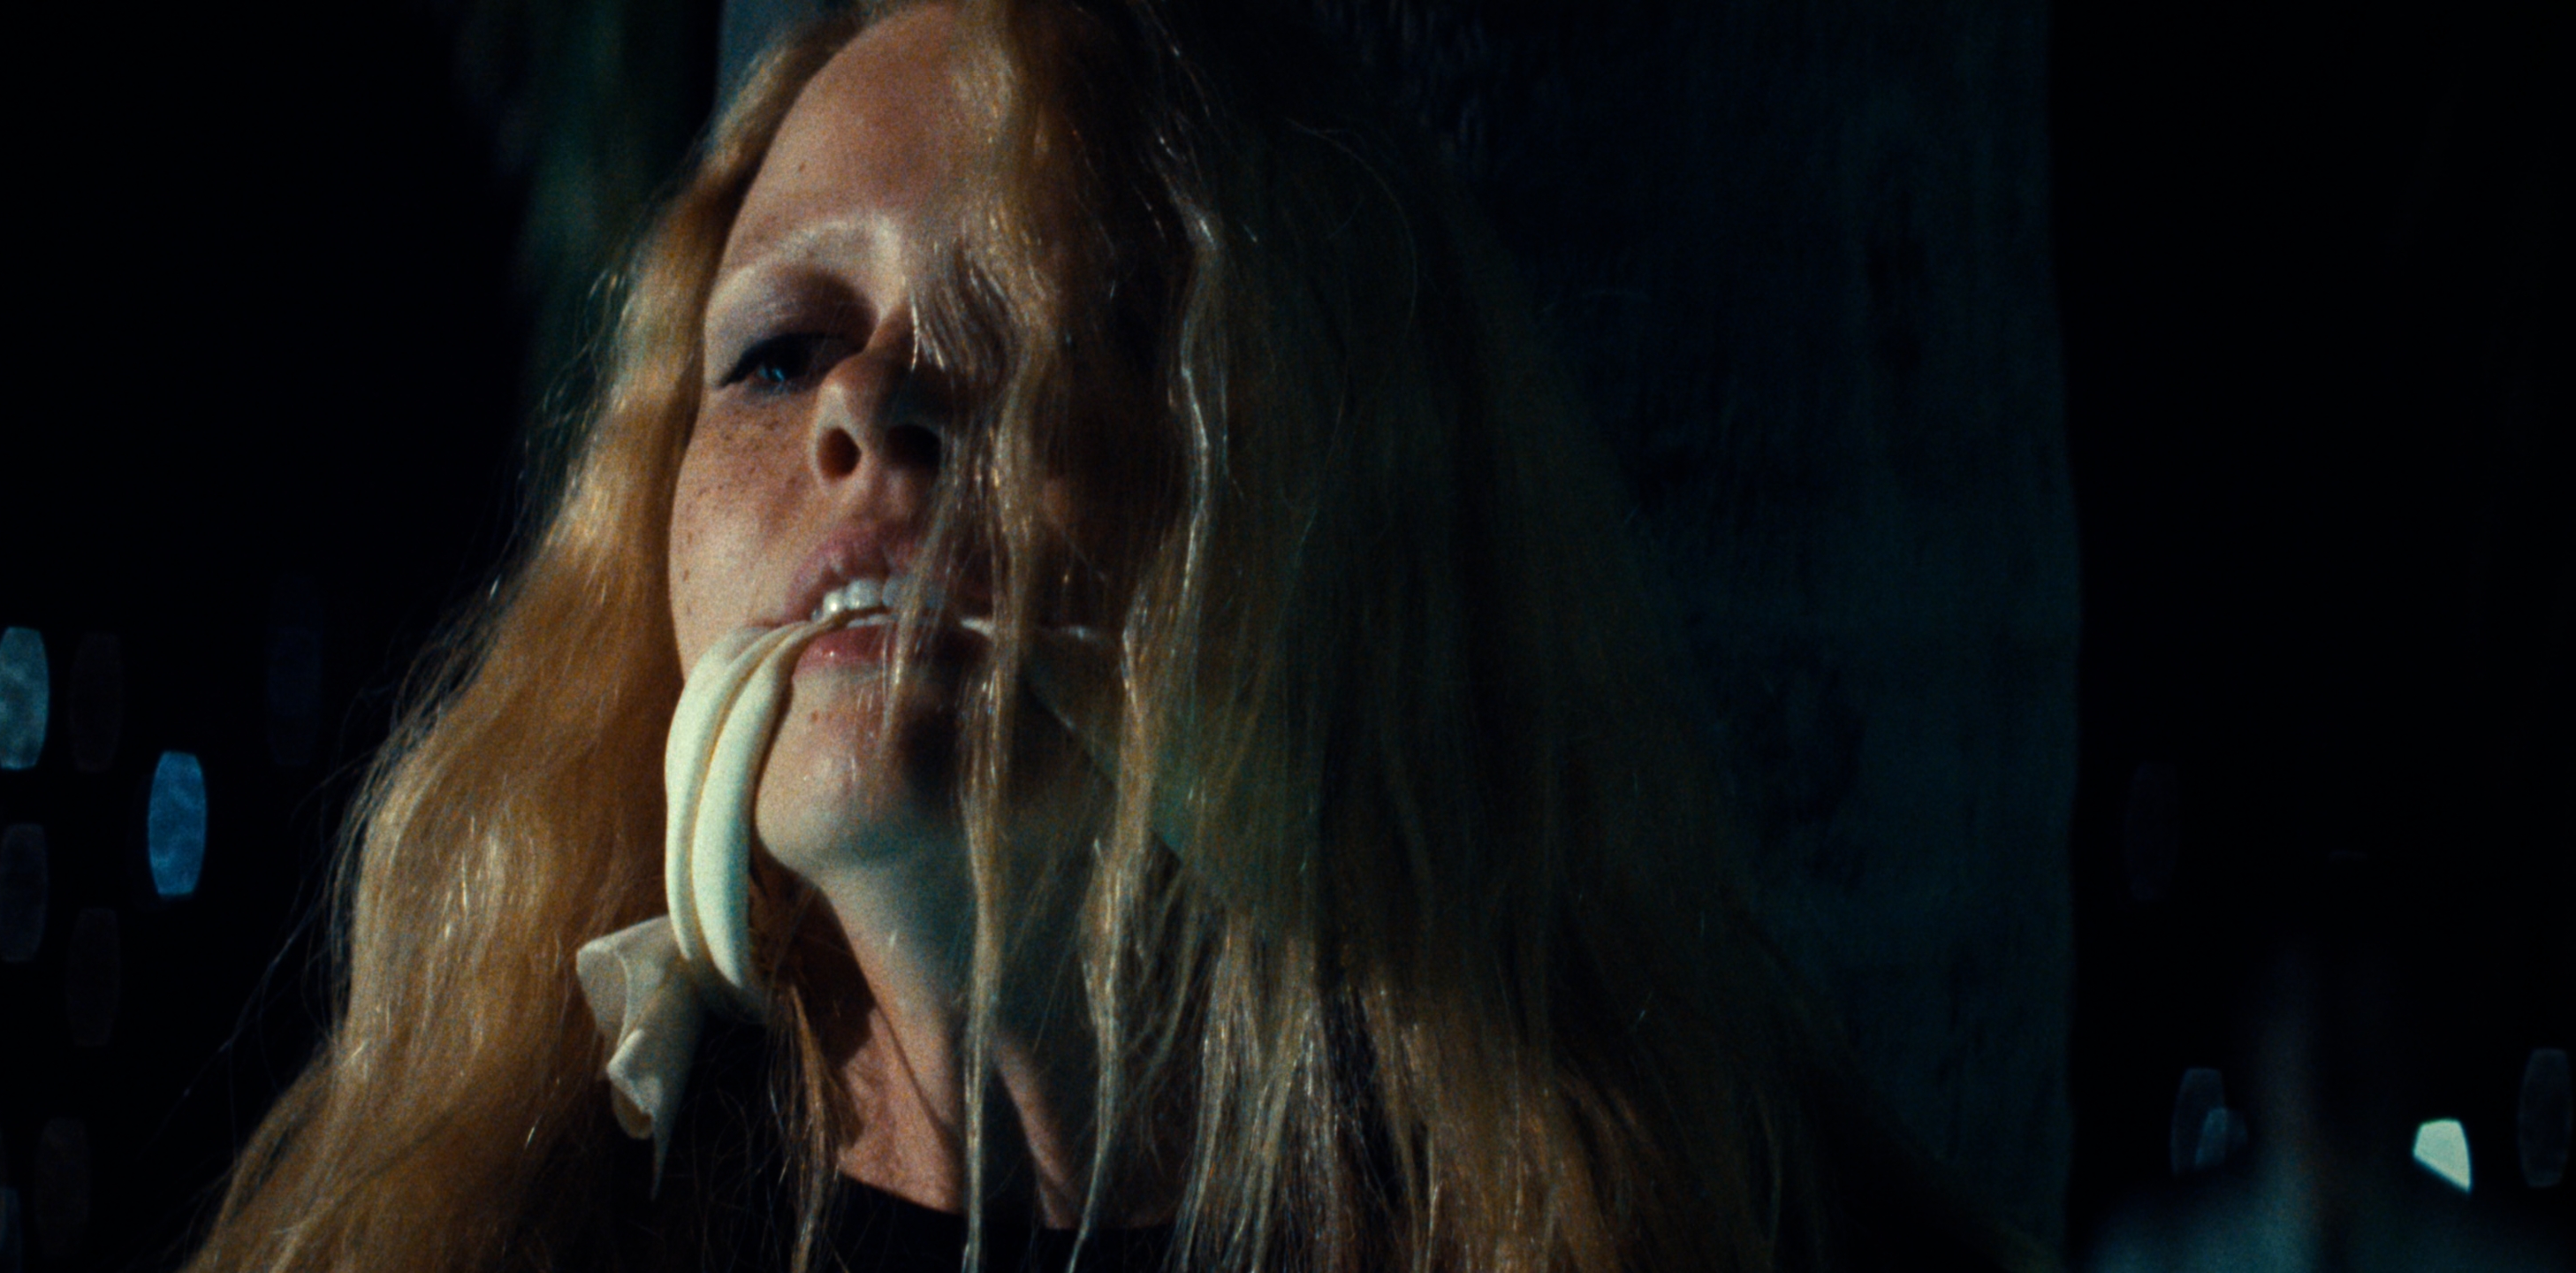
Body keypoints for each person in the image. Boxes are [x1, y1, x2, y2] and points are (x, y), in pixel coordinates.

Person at [185, 2, 2050, 1269]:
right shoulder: (505, 1225)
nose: (870, 407)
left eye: (1051, 333)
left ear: (1325, 500)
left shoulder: (1700, 1212)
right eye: (775, 353)